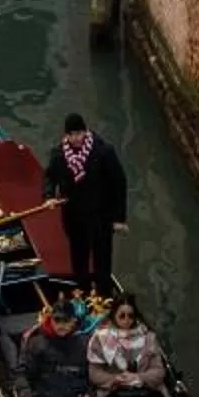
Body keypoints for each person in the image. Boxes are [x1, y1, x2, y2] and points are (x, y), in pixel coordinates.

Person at [16, 293, 110, 397]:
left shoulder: (83, 343)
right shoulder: (37, 343)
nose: (61, 325)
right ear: (51, 320)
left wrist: (91, 395)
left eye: (65, 321)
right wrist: (26, 396)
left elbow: (93, 375)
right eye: (57, 320)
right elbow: (22, 373)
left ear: (73, 321)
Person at [43, 113, 127, 295]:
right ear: (66, 135)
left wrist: (119, 218)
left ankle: (105, 295)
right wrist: (49, 196)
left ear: (85, 131)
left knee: (102, 260)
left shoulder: (103, 151)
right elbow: (50, 176)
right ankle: (83, 292)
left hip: (100, 216)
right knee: (79, 257)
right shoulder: (59, 154)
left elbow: (119, 183)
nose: (76, 138)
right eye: (72, 134)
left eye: (79, 133)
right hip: (74, 217)